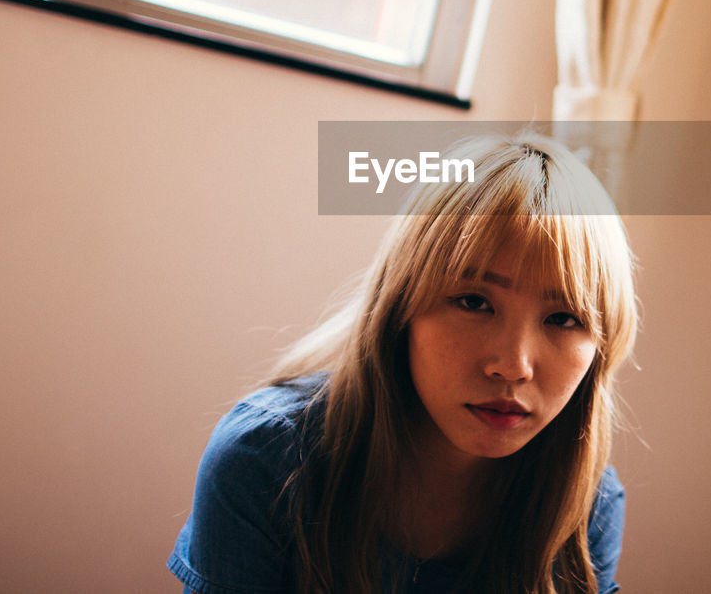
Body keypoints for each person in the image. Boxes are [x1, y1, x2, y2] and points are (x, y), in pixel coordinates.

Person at [167, 132, 639, 594]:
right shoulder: (267, 461)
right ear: (401, 308)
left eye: (562, 318)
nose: (513, 366)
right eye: (474, 302)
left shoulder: (586, 505)